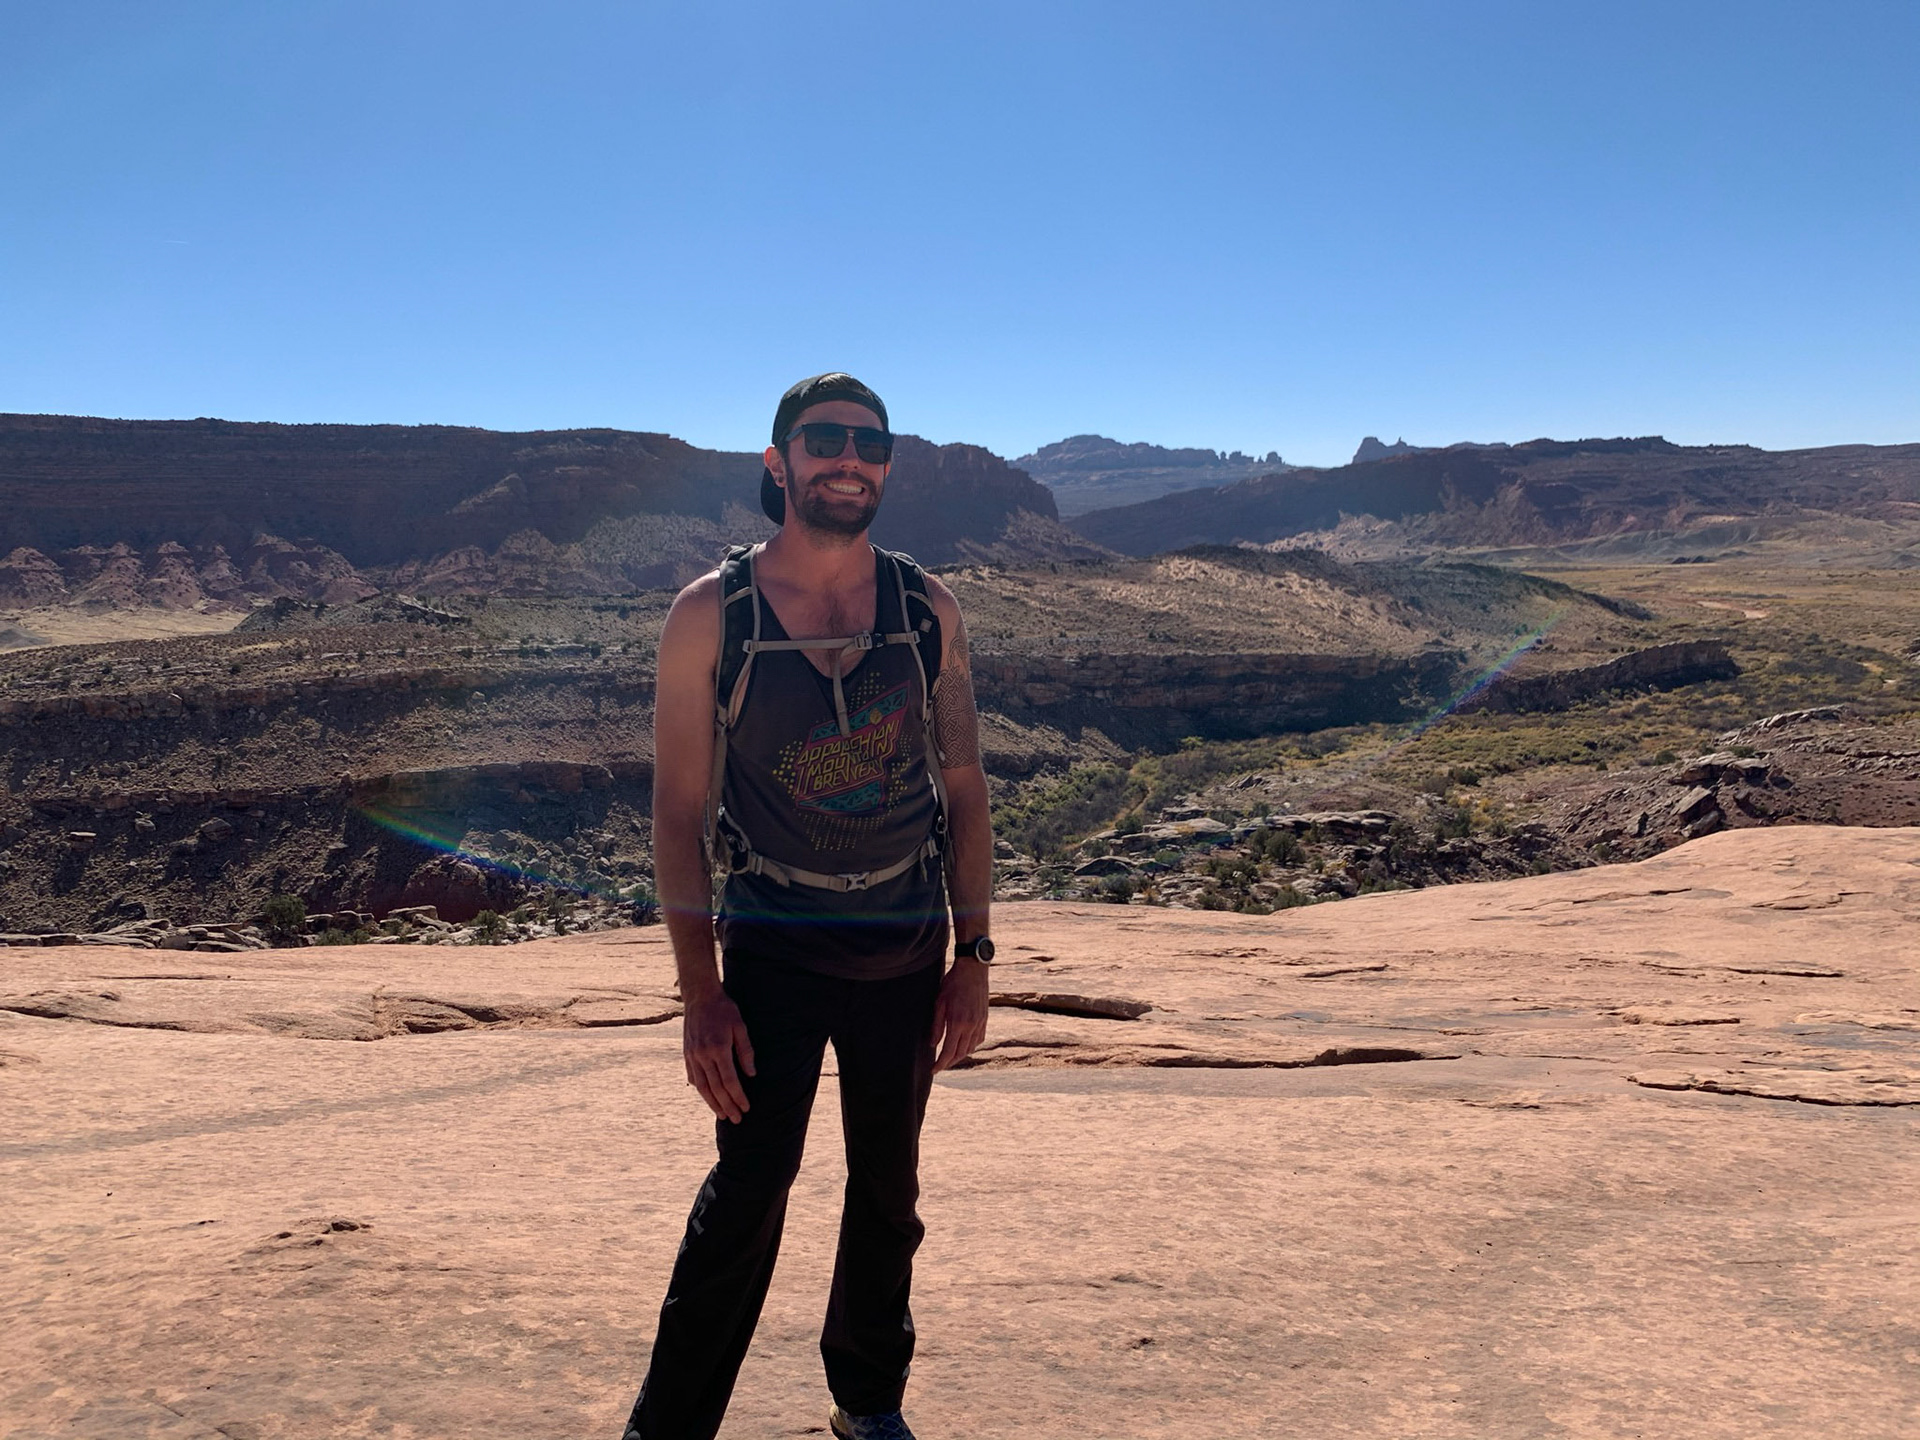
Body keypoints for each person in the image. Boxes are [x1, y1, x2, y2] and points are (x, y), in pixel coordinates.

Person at [622, 373, 995, 1440]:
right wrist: (701, 994)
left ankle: (867, 1402)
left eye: (870, 445)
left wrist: (973, 955)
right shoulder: (711, 615)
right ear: (778, 462)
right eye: (825, 440)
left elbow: (965, 785)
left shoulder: (927, 611)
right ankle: (668, 1429)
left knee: (889, 1189)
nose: (849, 461)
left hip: (904, 943)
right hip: (774, 947)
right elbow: (678, 813)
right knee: (748, 1189)